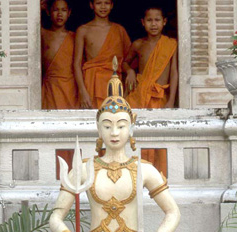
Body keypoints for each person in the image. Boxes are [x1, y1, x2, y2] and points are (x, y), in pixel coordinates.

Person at [49, 60, 180, 232]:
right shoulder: (83, 169)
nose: (115, 133)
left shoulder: (144, 170)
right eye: (107, 126)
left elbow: (173, 212)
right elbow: (55, 218)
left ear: (131, 127)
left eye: (121, 126)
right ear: (98, 128)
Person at [74, 0, 131, 109]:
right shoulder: (83, 30)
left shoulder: (119, 30)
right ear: (91, 5)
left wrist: (130, 72)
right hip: (91, 83)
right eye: (99, 3)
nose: (103, 7)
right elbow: (76, 64)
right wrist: (82, 91)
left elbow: (128, 61)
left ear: (112, 5)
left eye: (106, 3)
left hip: (114, 83)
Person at [124, 7, 178, 108]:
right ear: (143, 22)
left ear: (164, 21)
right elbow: (124, 63)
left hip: (159, 97)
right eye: (149, 20)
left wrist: (171, 100)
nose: (153, 24)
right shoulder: (138, 44)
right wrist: (129, 71)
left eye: (157, 20)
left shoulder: (171, 44)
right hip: (139, 95)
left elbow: (174, 73)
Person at [41, 0, 79, 109]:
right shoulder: (44, 34)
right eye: (55, 10)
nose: (59, 14)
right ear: (48, 12)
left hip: (70, 86)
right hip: (51, 86)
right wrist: (37, 8)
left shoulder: (75, 37)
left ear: (69, 13)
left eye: (63, 10)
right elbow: (28, 26)